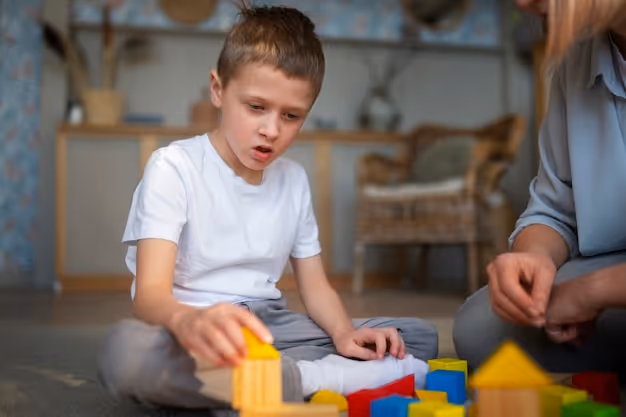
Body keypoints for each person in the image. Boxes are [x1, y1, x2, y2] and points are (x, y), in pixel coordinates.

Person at [97, 3, 438, 412]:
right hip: (197, 326)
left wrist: (345, 333)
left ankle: (253, 385)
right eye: (256, 107)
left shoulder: (293, 180)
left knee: (415, 338)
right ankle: (312, 378)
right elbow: (149, 296)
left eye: (291, 116)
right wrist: (189, 322)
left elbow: (315, 287)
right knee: (124, 354)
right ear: (219, 89)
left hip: (271, 328)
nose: (271, 130)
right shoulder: (174, 167)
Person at [454, 0, 626, 377]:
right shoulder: (575, 60)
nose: (520, 3)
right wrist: (534, 259)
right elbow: (554, 210)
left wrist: (594, 291)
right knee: (481, 329)